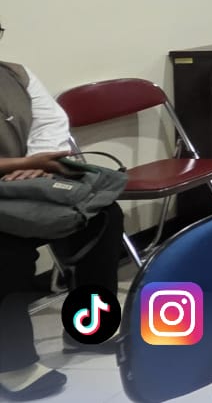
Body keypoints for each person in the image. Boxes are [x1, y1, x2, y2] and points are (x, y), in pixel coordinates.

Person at [0, 59, 125, 401]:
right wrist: (27, 163)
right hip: (14, 186)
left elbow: (50, 123)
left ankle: (88, 328)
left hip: (21, 187)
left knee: (100, 217)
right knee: (7, 252)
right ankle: (12, 363)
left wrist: (38, 164)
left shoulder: (14, 74)